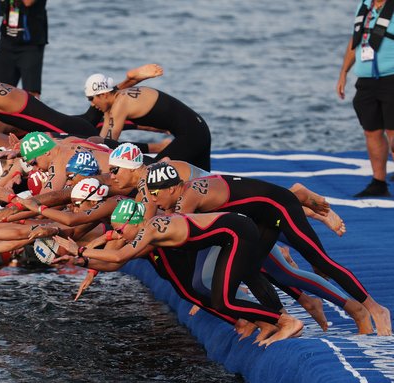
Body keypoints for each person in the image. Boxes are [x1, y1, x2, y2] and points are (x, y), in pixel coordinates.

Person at [163, 170, 392, 336]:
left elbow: (183, 234)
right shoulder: (180, 193)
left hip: (279, 207)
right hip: (259, 216)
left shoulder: (187, 199)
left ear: (172, 188)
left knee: (321, 261)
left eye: (155, 195)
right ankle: (280, 319)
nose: (154, 201)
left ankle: (376, 309)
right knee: (250, 269)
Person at [55, 199, 304, 346]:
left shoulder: (150, 230)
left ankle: (284, 321)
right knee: (202, 291)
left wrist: (81, 251)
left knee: (219, 295)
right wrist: (82, 259)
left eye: (120, 230)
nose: (118, 235)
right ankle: (263, 322)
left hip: (233, 233)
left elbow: (119, 256)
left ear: (134, 221)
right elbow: (115, 256)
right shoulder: (141, 230)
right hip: (219, 240)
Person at [85, 73, 212, 171]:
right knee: (202, 178)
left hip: (192, 135)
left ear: (104, 94)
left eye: (91, 98)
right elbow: (103, 140)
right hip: (199, 129)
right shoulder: (121, 98)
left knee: (152, 173)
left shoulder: (120, 105)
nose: (92, 104)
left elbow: (108, 144)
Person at [337, 0, 394, 197]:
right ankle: (379, 182)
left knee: (393, 133)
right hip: (366, 82)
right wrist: (344, 72)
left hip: (391, 79)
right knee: (372, 131)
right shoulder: (365, 5)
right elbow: (356, 40)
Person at [0, 0, 48, 99]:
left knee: (32, 94)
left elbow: (28, 2)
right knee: (0, 93)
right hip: (6, 42)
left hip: (31, 45)